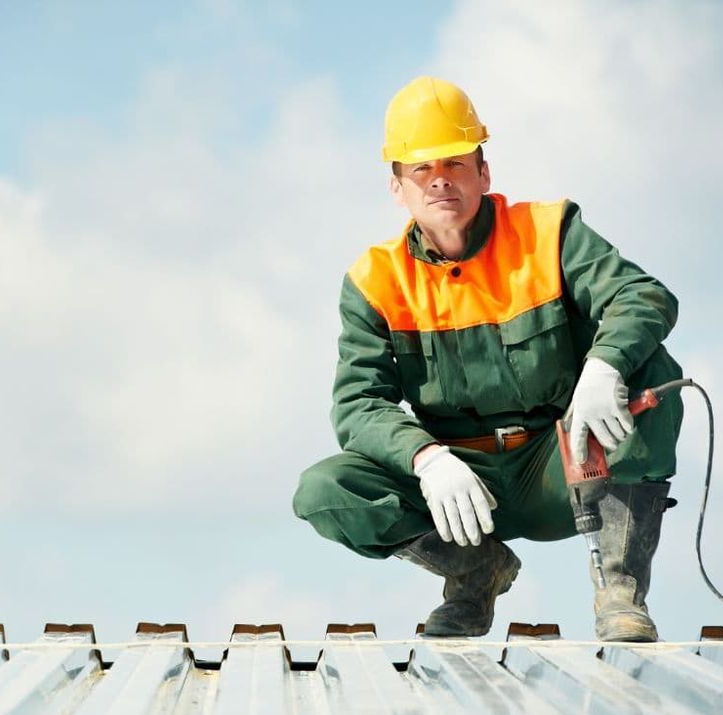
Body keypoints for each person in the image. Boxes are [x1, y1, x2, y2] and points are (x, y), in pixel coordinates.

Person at [292, 76, 683, 641]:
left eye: (455, 162)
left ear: (484, 173)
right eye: (420, 169)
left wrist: (605, 366)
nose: (440, 180)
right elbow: (357, 406)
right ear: (396, 188)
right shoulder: (374, 282)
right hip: (461, 491)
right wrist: (426, 458)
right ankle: (476, 575)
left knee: (652, 371)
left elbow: (643, 296)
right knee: (324, 491)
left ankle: (620, 590)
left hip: (565, 466)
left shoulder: (549, 233)